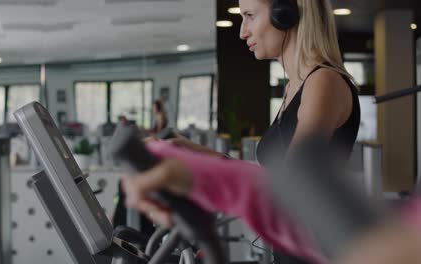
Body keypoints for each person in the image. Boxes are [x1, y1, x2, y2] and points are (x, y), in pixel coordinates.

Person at [123, 0, 361, 263]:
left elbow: (293, 189)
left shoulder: (323, 81)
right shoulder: (296, 86)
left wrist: (195, 172)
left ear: (286, 14)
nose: (242, 31)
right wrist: (198, 154)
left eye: (249, 16)